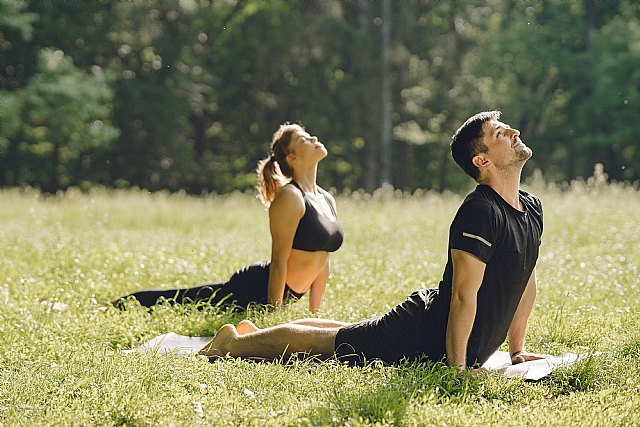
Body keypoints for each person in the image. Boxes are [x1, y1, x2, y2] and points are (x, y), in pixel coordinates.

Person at [199, 111, 547, 369]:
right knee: (333, 343)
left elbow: (523, 278)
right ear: (481, 160)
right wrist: (455, 370)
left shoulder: (530, 207)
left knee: (350, 332)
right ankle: (234, 343)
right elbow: (461, 295)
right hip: (425, 332)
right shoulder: (481, 211)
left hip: (438, 329)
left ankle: (255, 333)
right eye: (501, 133)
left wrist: (517, 350)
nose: (514, 131)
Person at [113, 123, 343, 313]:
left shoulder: (326, 198)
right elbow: (279, 259)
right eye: (304, 140)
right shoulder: (290, 196)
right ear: (292, 157)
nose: (314, 138)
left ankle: (128, 303)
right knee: (187, 301)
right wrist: (274, 313)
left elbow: (324, 259)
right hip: (254, 287)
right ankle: (127, 303)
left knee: (194, 299)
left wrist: (315, 313)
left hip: (289, 292)